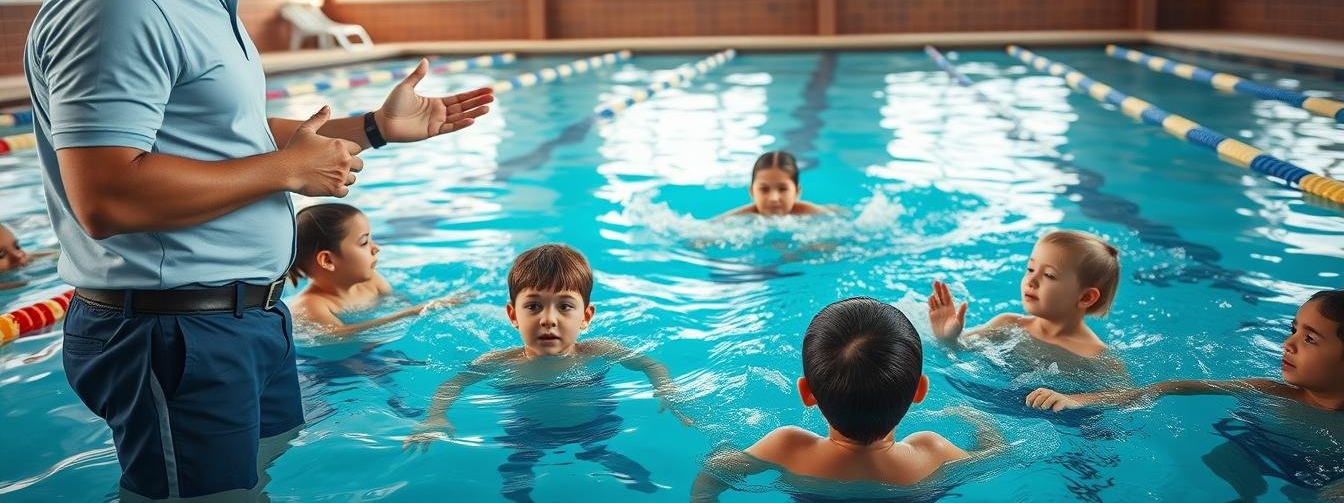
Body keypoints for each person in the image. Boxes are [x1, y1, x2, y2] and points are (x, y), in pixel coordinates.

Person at [23, 0, 492, 500]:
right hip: (173, 335)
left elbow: (227, 131)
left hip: (238, 320)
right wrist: (285, 174)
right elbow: (107, 195)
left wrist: (370, 129)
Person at [404, 244, 690, 500]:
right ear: (514, 315)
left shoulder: (599, 350)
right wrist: (435, 417)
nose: (548, 319)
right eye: (533, 306)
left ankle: (605, 457)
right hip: (529, 430)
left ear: (585, 317)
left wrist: (666, 388)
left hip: (594, 422)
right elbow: (453, 384)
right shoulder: (500, 362)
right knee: (519, 463)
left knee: (598, 449)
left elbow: (651, 365)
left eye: (565, 306)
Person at [1026, 290, 1344, 499]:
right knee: (1220, 459)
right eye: (1293, 330)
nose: (1288, 344)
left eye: (1310, 339)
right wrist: (1083, 399)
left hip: (1321, 475)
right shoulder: (1269, 390)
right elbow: (1171, 387)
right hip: (1252, 452)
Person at [693, 297, 997, 500]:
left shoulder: (788, 447)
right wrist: (979, 420)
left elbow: (712, 474)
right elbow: (998, 455)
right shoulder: (932, 452)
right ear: (920, 390)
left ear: (806, 393)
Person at [928, 230, 1120, 359]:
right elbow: (959, 351)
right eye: (1030, 269)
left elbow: (1131, 396)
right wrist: (947, 338)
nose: (1031, 280)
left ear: (1086, 297)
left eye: (1049, 275)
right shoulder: (1008, 324)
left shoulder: (1095, 354)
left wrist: (1076, 400)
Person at [286, 203, 469, 335]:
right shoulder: (310, 306)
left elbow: (399, 302)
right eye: (364, 242)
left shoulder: (373, 281)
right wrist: (409, 313)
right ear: (327, 260)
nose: (376, 248)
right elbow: (337, 336)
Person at [718, 151, 834, 217]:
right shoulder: (737, 218)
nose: (773, 198)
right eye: (764, 189)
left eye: (783, 189)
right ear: (752, 192)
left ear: (797, 192)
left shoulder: (815, 214)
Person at [0, 222, 57, 289]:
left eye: (17, 246)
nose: (19, 256)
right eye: (1, 255)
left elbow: (55, 254)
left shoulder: (23, 258)